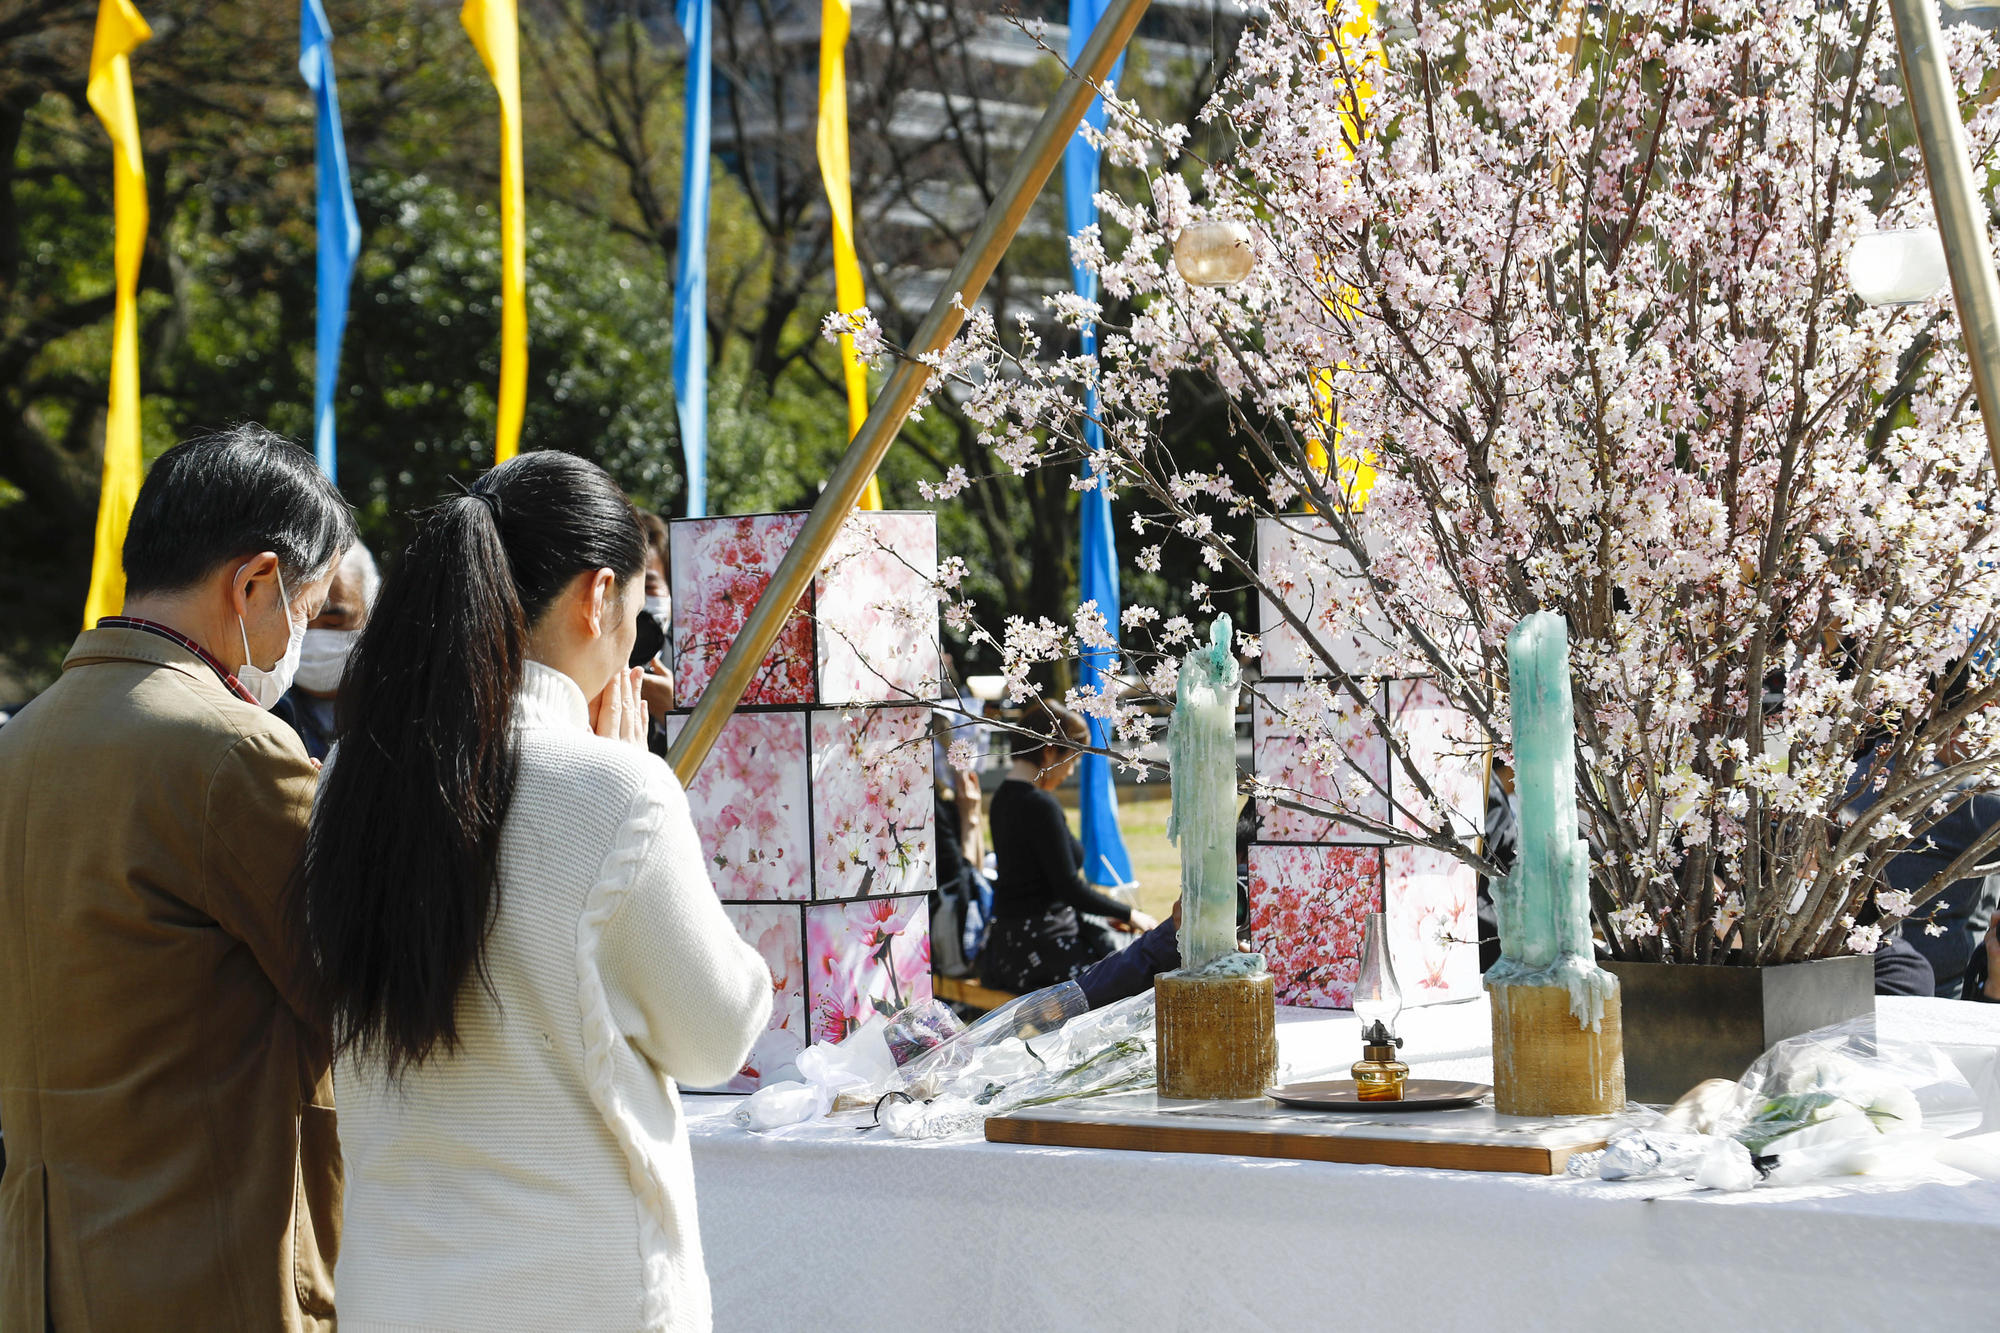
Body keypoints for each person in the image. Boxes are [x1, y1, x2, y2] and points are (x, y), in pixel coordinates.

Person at [297, 450, 772, 1331]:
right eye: (639, 614)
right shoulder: (616, 790)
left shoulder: (350, 777)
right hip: (583, 1287)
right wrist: (638, 776)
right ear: (598, 598)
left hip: (393, 1286)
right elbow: (717, 1036)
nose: (636, 639)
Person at [0, 424, 352, 1330]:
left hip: (43, 1273)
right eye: (309, 607)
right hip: (205, 1269)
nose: (303, 633)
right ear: (254, 582)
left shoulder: (24, 737)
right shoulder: (232, 748)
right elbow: (355, 985)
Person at [979, 704, 1157, 992]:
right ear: (1049, 751)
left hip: (1008, 949)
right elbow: (1068, 888)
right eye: (1070, 760)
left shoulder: (1001, 798)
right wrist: (1130, 914)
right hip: (1046, 950)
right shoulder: (1039, 805)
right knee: (1138, 969)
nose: (1070, 772)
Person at [273, 541, 379, 759]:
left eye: (333, 624)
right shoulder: (262, 710)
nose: (312, 637)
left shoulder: (408, 712)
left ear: (372, 616)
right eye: (299, 622)